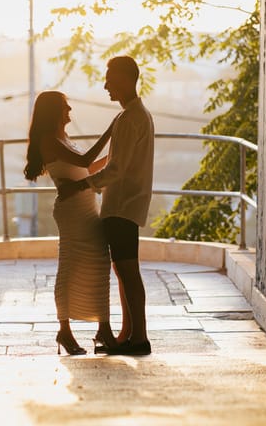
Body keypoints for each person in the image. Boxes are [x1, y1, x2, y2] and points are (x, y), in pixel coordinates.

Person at [58, 56, 154, 356]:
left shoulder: (129, 119)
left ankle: (139, 338)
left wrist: (80, 184)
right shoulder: (137, 115)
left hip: (122, 204)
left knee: (128, 273)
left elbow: (116, 170)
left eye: (110, 78)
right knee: (125, 271)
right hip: (126, 203)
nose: (105, 85)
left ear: (126, 79)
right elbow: (115, 164)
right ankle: (129, 335)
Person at [24, 90, 119, 355]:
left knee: (100, 264)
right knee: (70, 266)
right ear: (54, 111)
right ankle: (65, 332)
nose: (70, 111)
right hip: (72, 212)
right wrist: (111, 131)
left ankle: (103, 329)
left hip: (87, 207)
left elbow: (86, 170)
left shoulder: (63, 138)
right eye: (66, 107)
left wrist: (116, 154)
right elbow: (85, 160)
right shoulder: (49, 140)